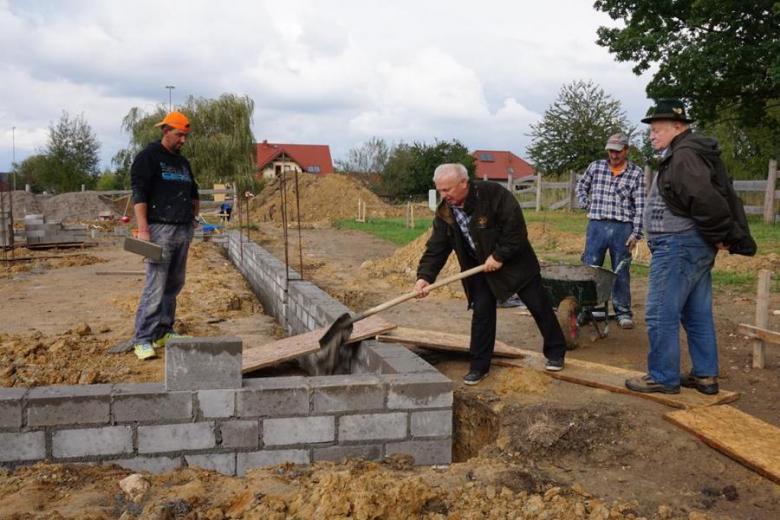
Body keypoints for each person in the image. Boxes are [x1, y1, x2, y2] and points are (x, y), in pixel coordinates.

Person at [625, 99, 756, 395]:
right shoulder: (686, 152)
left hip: (678, 246)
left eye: (656, 130)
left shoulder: (684, 155)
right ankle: (705, 376)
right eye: (650, 132)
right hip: (689, 246)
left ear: (677, 127)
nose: (651, 136)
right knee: (696, 313)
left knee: (660, 312)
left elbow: (705, 198)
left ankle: (662, 376)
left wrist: (722, 233)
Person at [415, 163, 568, 385]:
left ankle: (555, 352)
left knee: (539, 305)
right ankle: (479, 366)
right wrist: (424, 277)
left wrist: (499, 256)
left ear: (464, 183)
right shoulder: (445, 213)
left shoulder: (493, 195)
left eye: (447, 189)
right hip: (479, 268)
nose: (443, 195)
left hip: (516, 263)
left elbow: (516, 229)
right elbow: (436, 248)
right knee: (482, 314)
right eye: (440, 190)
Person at [130, 111, 200, 360]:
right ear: (166, 131)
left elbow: (193, 191)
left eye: (185, 136)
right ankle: (142, 338)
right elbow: (139, 193)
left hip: (182, 228)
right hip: (159, 229)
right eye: (179, 135)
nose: (183, 140)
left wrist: (193, 219)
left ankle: (163, 330)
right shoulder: (149, 157)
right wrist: (144, 229)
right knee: (156, 284)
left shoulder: (182, 162)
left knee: (174, 284)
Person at [576, 133, 647, 329]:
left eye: (617, 151)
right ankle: (585, 310)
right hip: (597, 225)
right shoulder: (596, 167)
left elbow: (640, 206)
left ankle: (623, 312)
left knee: (621, 271)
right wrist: (585, 203)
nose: (614, 155)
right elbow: (581, 187)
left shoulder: (636, 173)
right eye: (611, 151)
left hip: (622, 228)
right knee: (590, 269)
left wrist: (636, 233)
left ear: (626, 151)